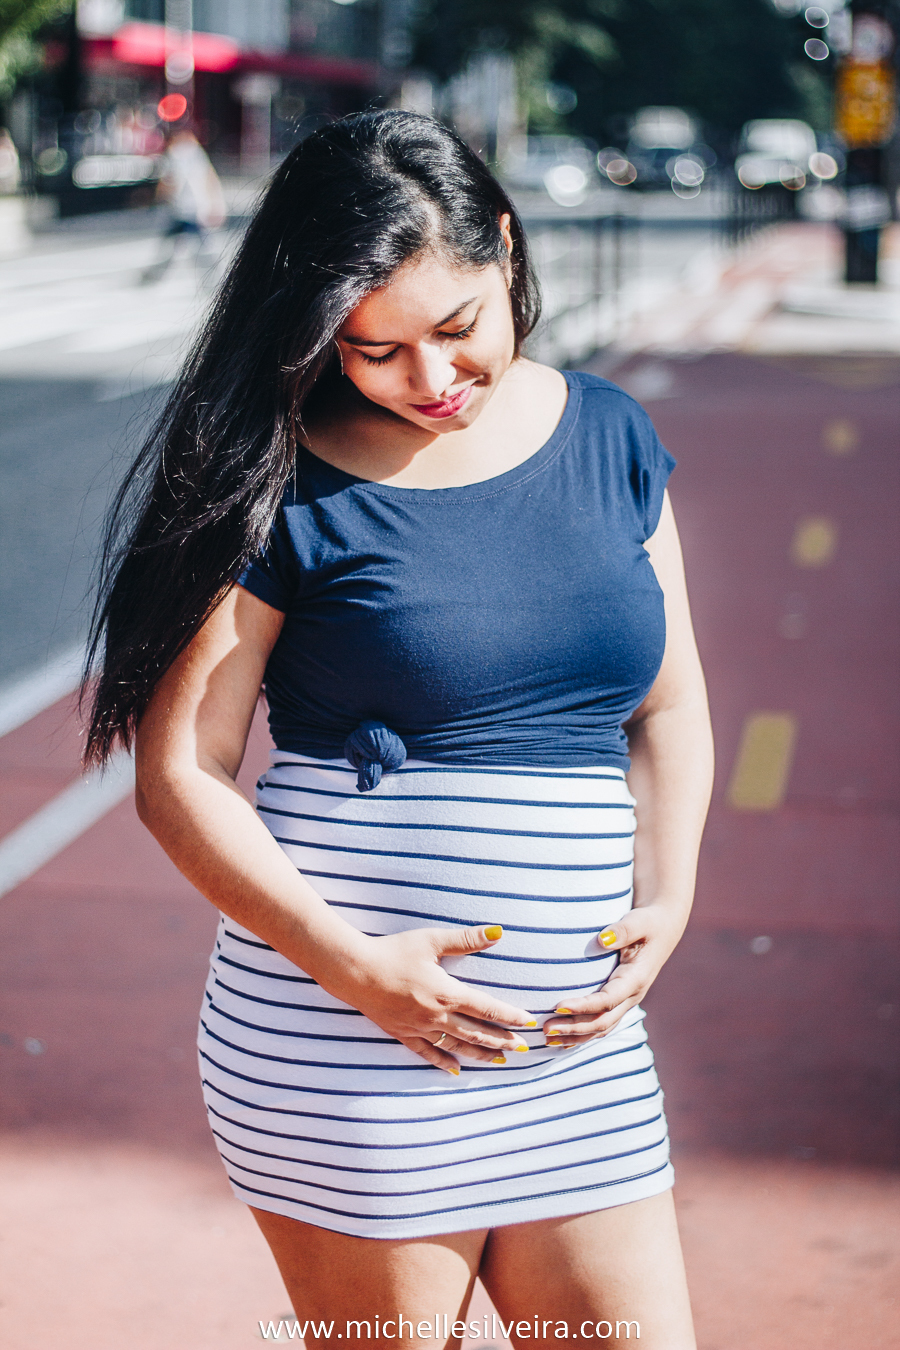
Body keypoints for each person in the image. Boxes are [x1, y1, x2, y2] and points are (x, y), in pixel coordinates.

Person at [85, 111, 713, 1349]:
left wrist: (673, 891)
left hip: (578, 1060)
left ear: (508, 252)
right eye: (372, 351)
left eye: (457, 328)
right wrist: (353, 969)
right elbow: (181, 774)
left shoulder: (611, 437)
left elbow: (672, 701)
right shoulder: (284, 478)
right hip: (348, 1058)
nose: (428, 381)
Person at [141, 125, 226, 282]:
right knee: (184, 244)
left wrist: (159, 198)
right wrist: (215, 204)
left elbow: (169, 182)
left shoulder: (176, 155)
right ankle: (211, 274)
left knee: (185, 244)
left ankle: (212, 275)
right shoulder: (196, 154)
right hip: (194, 208)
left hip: (185, 209)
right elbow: (210, 179)